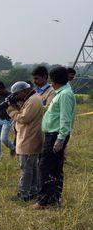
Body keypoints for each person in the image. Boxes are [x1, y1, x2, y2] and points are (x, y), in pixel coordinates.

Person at [34, 67, 77, 209]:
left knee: (45, 167)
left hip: (55, 135)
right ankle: (54, 199)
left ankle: (43, 200)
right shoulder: (61, 93)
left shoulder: (64, 95)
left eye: (52, 80)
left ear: (55, 81)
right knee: (55, 168)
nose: (51, 83)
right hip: (53, 134)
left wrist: (60, 139)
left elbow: (65, 119)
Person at [7, 82, 44, 201]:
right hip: (29, 137)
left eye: (17, 94)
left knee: (26, 167)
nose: (16, 97)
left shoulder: (33, 100)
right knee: (32, 167)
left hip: (29, 138)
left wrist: (10, 110)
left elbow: (24, 118)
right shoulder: (32, 98)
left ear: (24, 91)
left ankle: (24, 194)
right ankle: (33, 191)